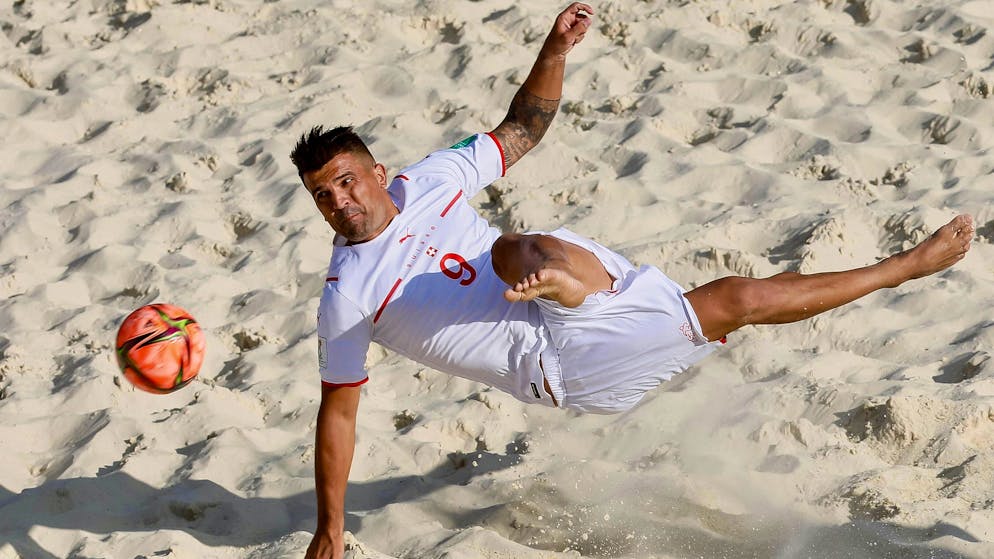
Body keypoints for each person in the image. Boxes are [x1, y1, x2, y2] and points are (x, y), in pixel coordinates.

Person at [290, 4, 974, 557]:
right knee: (733, 298)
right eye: (323, 195)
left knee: (521, 251)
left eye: (346, 181)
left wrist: (556, 49)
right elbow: (339, 414)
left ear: (377, 174)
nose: (339, 202)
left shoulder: (429, 179)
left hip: (596, 286)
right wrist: (329, 526)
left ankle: (566, 286)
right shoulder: (347, 291)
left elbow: (520, 130)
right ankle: (905, 266)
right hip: (566, 364)